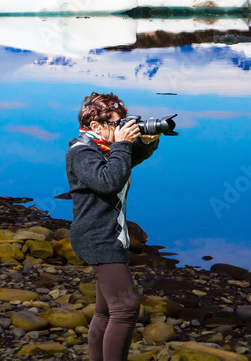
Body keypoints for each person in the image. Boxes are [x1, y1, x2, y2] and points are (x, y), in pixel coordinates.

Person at [65, 92, 161, 361]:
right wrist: (122, 145)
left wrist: (146, 143)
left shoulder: (100, 147)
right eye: (116, 125)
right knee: (126, 308)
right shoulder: (81, 152)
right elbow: (109, 181)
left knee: (106, 311)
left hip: (109, 236)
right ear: (95, 127)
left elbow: (123, 164)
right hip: (98, 238)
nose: (121, 130)